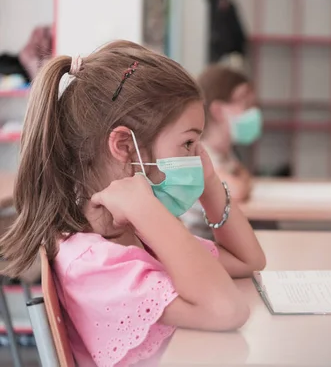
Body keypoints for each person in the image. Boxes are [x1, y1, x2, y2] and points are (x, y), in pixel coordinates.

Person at [0, 40, 266, 367]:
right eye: (187, 143)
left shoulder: (128, 235)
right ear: (125, 146)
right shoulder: (93, 264)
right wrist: (149, 213)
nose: (197, 157)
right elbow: (228, 310)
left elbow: (247, 260)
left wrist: (209, 184)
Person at [197, 65, 261, 201]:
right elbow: (237, 191)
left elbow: (245, 180)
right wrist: (241, 179)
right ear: (218, 110)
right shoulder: (199, 154)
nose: (252, 110)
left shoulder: (225, 153)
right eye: (244, 102)